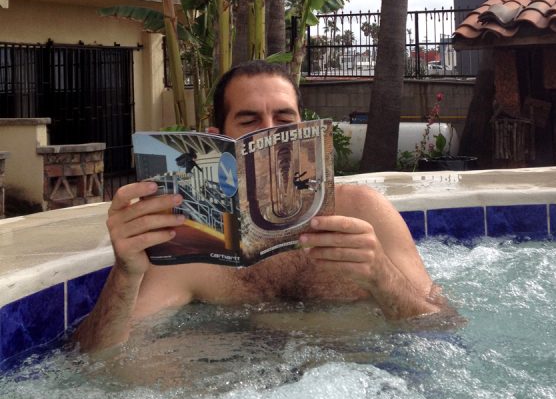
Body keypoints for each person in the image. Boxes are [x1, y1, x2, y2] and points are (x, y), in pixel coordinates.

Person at [73, 61, 447, 352]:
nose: (272, 132)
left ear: (305, 127)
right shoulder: (193, 240)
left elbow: (441, 326)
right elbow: (101, 357)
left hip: (363, 378)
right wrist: (126, 271)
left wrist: (382, 275)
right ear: (220, 140)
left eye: (284, 119)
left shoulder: (363, 212)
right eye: (250, 121)